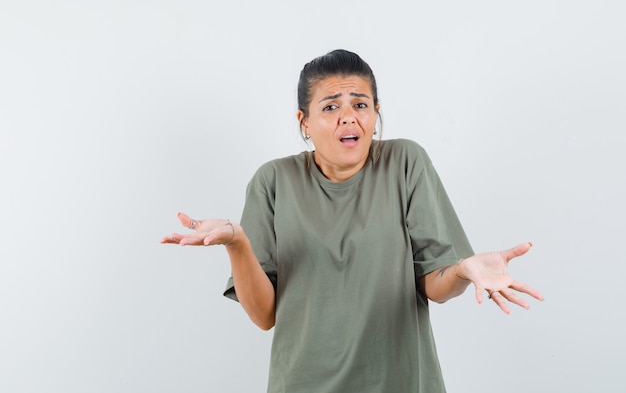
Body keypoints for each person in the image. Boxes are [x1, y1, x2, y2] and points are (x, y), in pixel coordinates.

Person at [161, 49, 543, 393]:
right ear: (304, 121)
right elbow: (264, 316)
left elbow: (435, 285)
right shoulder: (273, 181)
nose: (348, 117)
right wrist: (237, 243)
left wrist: (462, 269)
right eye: (330, 107)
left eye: (360, 104)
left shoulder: (404, 163)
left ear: (376, 113)